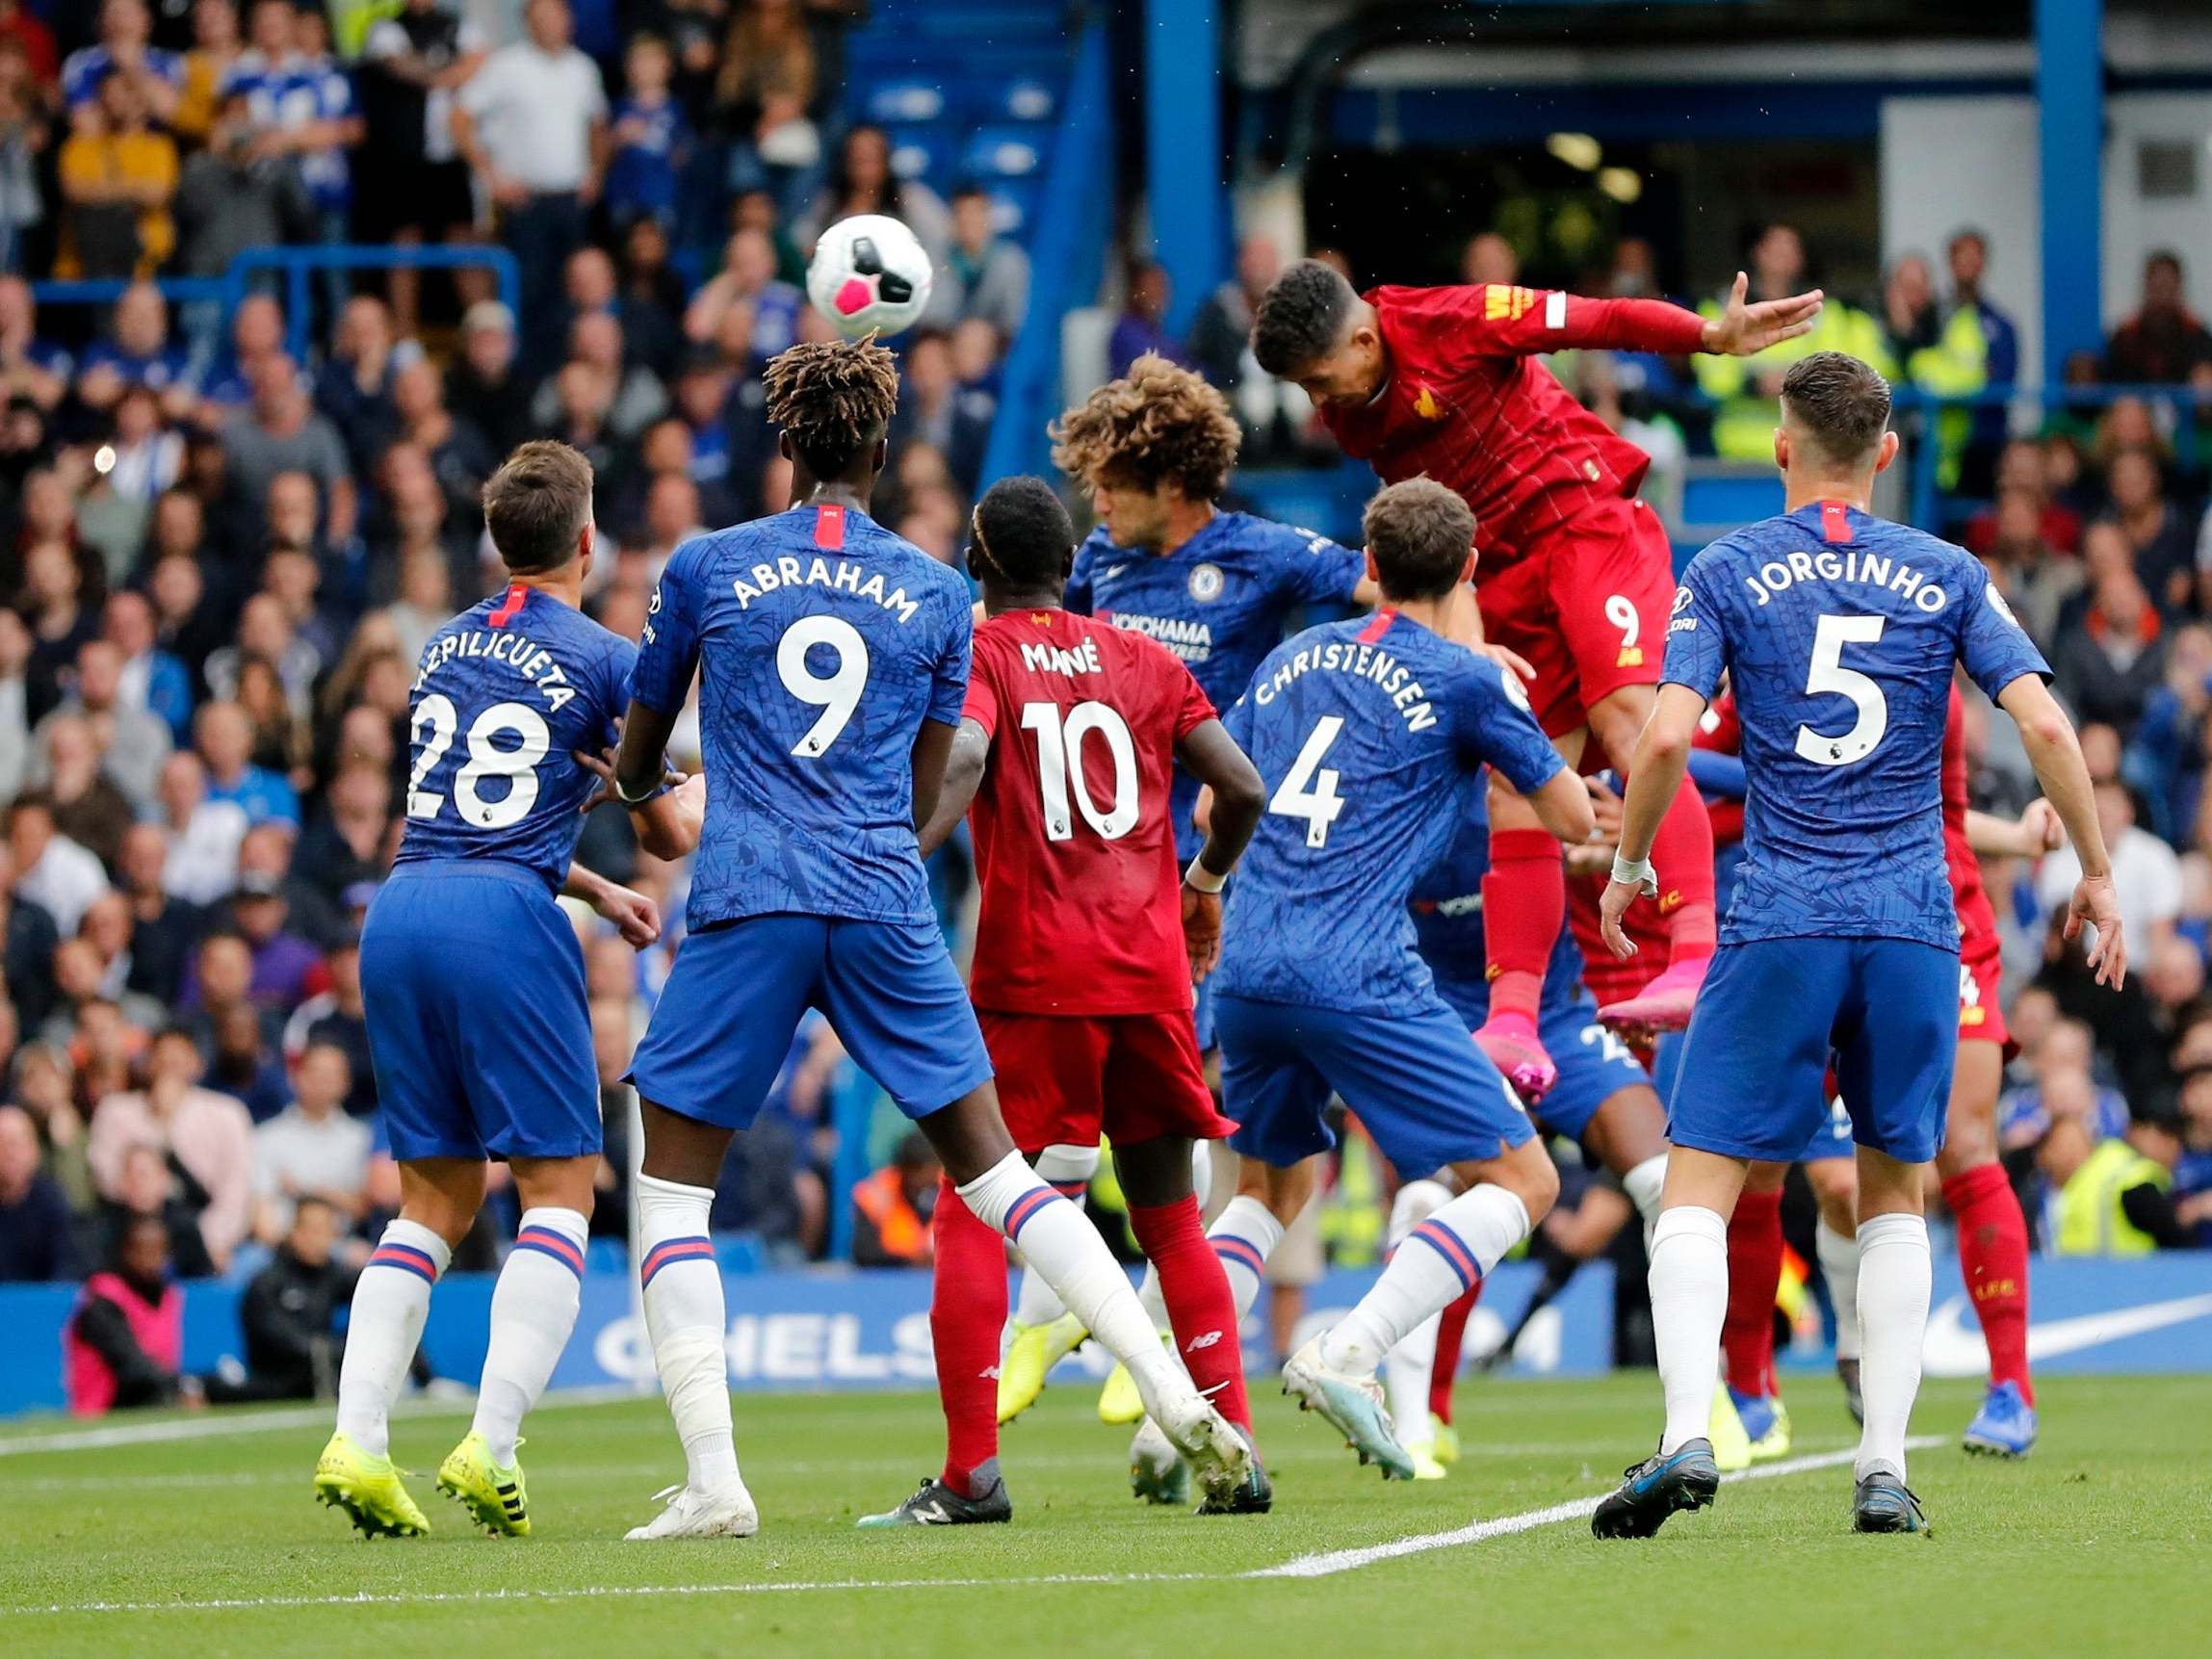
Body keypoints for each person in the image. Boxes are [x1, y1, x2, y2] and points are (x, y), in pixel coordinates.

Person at [604, 337, 1251, 1540]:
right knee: (1000, 1174)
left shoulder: (708, 565)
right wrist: (871, 853)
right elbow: (928, 773)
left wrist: (648, 800)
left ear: (785, 446)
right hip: (883, 898)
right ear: (885, 452)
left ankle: (716, 1483)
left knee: (669, 1187)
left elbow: (642, 759)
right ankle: (1175, 1392)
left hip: (750, 897)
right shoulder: (938, 595)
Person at [1588, 350, 2121, 1541]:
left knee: (1698, 1183)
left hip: (1778, 913)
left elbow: (1666, 739)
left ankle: (1688, 1430)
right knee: (1894, 1188)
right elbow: (2037, 717)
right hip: (1911, 925)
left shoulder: (1723, 565)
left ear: (1780, 445)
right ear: (1885, 451)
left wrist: (1628, 867)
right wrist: (2091, 870)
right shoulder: (1946, 571)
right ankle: (1881, 1466)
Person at [1249, 255, 1821, 1093]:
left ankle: (1695, 949)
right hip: (1503, 574)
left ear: (1366, 339)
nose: (1316, 400)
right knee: (1513, 783)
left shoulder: (1456, 319)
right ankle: (1513, 1019)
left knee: (1632, 724)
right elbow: (1437, 532)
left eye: (1319, 377)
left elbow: (1595, 318)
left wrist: (1707, 336)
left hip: (1586, 523)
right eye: (1301, 387)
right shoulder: (1348, 415)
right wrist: (1464, 639)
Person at [861, 476, 1268, 1526]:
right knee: (1173, 1217)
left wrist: (899, 857)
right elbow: (1244, 787)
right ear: (1070, 565)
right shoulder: (1144, 657)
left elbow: (961, 752)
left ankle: (968, 1474)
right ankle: (1237, 1443)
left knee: (968, 1202)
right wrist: (1201, 884)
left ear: (975, 565)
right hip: (1149, 973)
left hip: (1036, 977)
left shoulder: (984, 656)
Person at [1191, 477, 1593, 1478]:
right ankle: (1348, 1351)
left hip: (1247, 962)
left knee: (1264, 1191)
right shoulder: (1466, 678)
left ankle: (1172, 1405)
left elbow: (1210, 809)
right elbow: (1572, 818)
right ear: (1465, 570)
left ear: (1366, 567)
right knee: (1523, 1176)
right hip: (1358, 968)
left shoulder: (1287, 660)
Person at [314, 440, 678, 1542]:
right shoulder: (610, 657)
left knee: (433, 1199)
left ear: (496, 543)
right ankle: (493, 1442)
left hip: (405, 906)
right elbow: (664, 821)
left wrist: (594, 882)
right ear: (585, 541)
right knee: (561, 1183)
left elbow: (480, 805)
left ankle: (358, 1441)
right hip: (499, 924)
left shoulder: (444, 642)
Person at [1386, 771, 1673, 1477]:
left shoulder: (1539, 752)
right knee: (1442, 1199)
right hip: (1442, 1017)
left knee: (1671, 1182)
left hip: (1556, 1012)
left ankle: (1706, 1409)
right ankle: (1417, 1416)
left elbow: (1634, 805)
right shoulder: (1399, 780)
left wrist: (1606, 846)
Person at [453, 0, 610, 371]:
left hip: (571, 200)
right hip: (527, 202)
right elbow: (459, 118)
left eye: (555, 16)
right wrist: (491, 176)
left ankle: (576, 369)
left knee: (576, 296)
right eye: (539, 18)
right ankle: (533, 373)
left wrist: (596, 173)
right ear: (527, 23)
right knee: (530, 296)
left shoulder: (582, 68)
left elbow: (598, 124)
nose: (549, 25)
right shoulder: (507, 66)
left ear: (567, 20)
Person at [65, 1213, 195, 1414]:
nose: (149, 1261)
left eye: (157, 1252)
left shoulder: (169, 1296)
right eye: (141, 1251)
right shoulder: (102, 1303)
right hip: (105, 1407)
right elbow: (131, 1366)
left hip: (154, 1396)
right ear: (124, 1252)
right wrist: (186, 1384)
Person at [0, 1101, 79, 1282]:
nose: (9, 1153)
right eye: (1, 1144)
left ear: (34, 1150)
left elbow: (65, 1269)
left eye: (16, 1143)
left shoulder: (52, 1201)